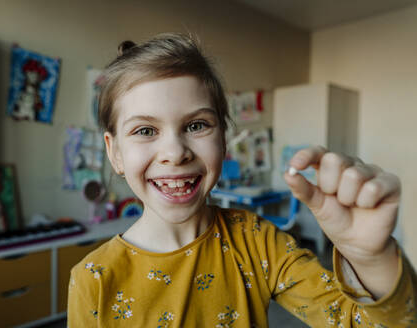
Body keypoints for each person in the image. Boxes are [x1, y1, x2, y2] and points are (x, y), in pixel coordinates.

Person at [67, 33, 416, 327]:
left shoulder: (258, 243)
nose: (175, 152)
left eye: (196, 125)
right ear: (114, 153)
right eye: (145, 130)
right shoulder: (93, 277)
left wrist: (371, 259)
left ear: (222, 138)